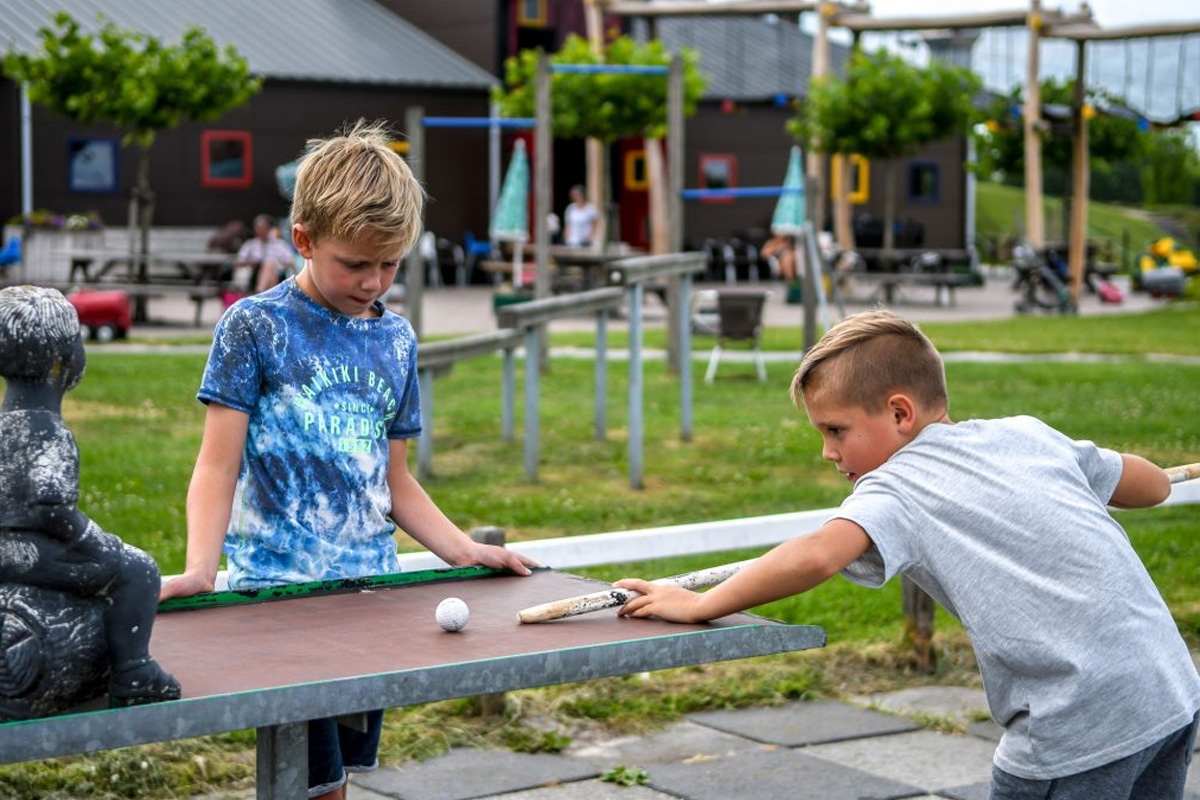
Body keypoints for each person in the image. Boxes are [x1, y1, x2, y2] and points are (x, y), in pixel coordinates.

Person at [616, 309, 1200, 800]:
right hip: (1169, 690)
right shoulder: (1026, 434)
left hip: (1075, 723)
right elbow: (1149, 486)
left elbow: (815, 556)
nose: (827, 452)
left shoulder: (897, 489)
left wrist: (697, 605)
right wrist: (1102, 471)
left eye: (836, 430)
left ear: (900, 414)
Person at [160, 120, 538, 800]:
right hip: (277, 598)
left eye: (390, 264)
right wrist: (199, 567)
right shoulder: (255, 326)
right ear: (302, 239)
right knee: (304, 785)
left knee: (337, 784)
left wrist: (460, 550)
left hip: (371, 594)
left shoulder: (395, 339)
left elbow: (394, 479)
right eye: (355, 263)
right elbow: (216, 465)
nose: (373, 281)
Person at [0, 286, 181, 708]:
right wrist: (88, 539)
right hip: (34, 554)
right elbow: (49, 506)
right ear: (66, 359)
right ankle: (134, 672)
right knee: (138, 569)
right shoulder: (48, 429)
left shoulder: (4, 424)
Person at [235, 213, 295, 294]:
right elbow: (238, 262)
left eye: (263, 228)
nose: (259, 230)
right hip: (255, 274)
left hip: (277, 272)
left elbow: (290, 262)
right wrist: (251, 263)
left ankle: (260, 292)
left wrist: (278, 262)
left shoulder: (280, 244)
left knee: (269, 265)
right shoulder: (250, 244)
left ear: (269, 229)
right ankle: (269, 294)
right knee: (268, 267)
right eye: (258, 228)